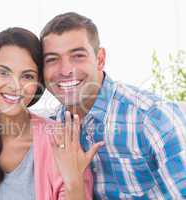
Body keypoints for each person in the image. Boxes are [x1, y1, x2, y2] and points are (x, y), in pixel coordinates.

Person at [0, 27, 102, 200]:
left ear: (39, 83)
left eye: (27, 76)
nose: (15, 86)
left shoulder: (59, 139)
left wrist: (73, 182)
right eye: (3, 72)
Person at [40, 12, 186, 199]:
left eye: (77, 56)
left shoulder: (153, 117)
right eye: (52, 59)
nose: (66, 70)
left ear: (100, 59)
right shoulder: (53, 127)